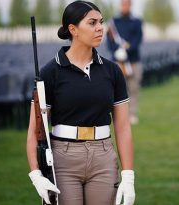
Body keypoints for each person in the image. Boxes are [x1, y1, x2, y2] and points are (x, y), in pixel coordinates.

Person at [26, 1, 135, 205]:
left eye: (101, 22)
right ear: (73, 29)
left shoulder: (112, 72)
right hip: (63, 159)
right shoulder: (51, 73)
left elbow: (122, 126)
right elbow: (35, 130)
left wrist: (128, 176)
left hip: (103, 156)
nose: (100, 28)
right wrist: (36, 175)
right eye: (92, 22)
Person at [106, 0, 143, 125]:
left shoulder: (137, 22)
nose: (125, 6)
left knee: (133, 88)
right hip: (118, 62)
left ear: (130, 5)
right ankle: (119, 116)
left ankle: (132, 114)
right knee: (118, 90)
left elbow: (138, 39)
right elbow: (109, 40)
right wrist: (117, 51)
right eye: (123, 4)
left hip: (133, 60)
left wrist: (128, 48)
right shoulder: (113, 22)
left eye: (127, 4)